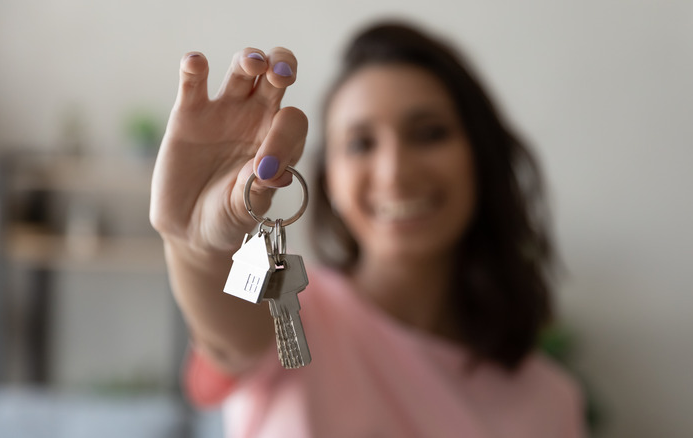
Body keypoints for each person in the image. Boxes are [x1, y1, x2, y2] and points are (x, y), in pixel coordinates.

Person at [150, 21, 585, 437]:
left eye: (429, 134)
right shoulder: (290, 309)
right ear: (330, 182)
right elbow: (228, 340)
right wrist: (193, 245)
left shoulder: (551, 401)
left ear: (480, 158)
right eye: (360, 143)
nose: (394, 172)